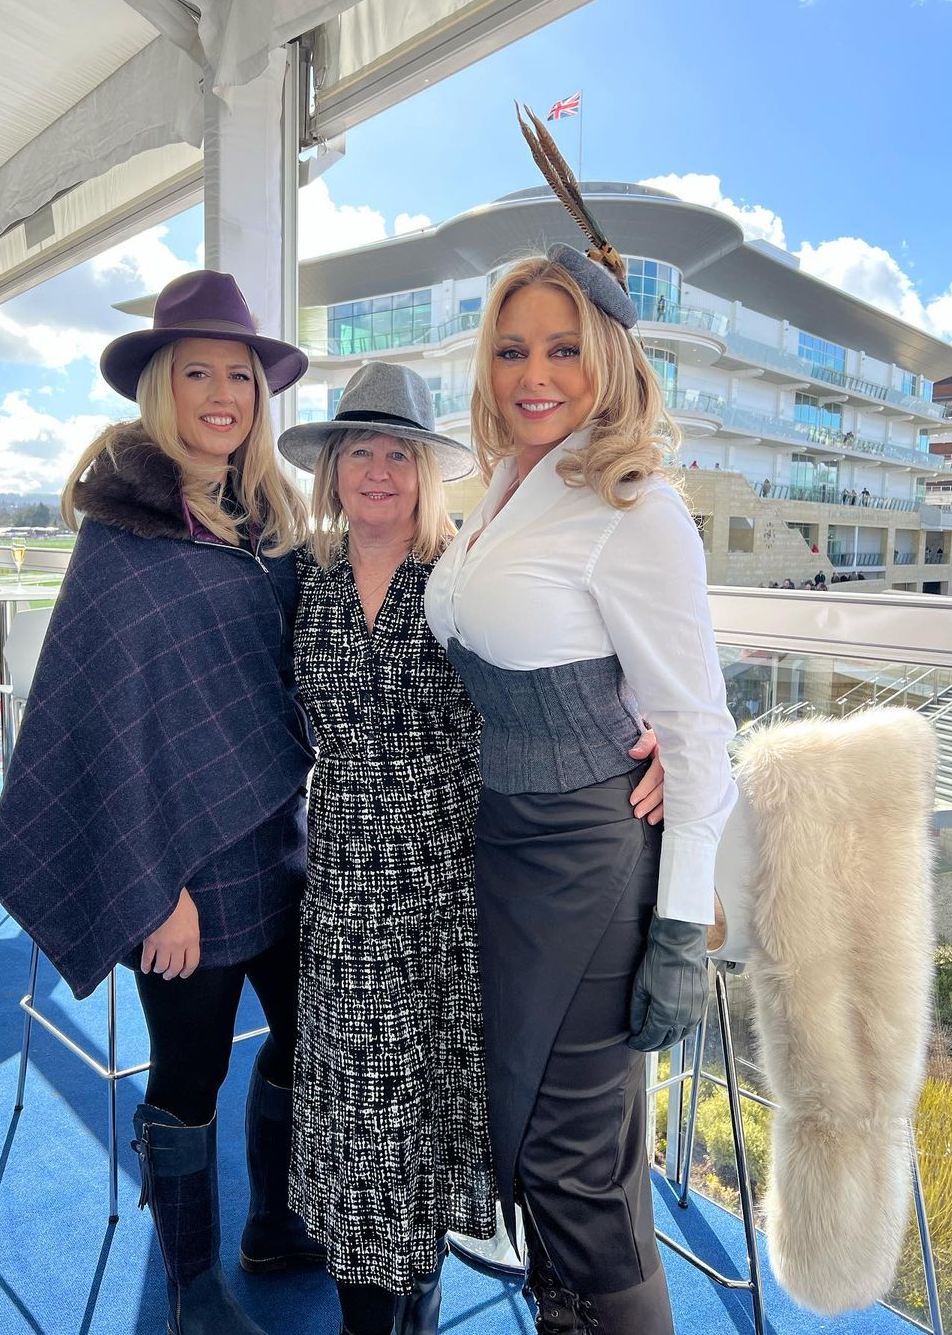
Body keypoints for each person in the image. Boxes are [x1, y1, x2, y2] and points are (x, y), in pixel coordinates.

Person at [278, 362, 665, 1335]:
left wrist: (660, 732)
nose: (377, 470)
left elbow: (581, 668)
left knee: (427, 1109)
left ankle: (414, 1298)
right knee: (354, 1112)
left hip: (452, 880)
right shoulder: (303, 580)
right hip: (343, 883)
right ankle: (368, 1308)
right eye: (359, 452)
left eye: (397, 453)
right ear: (331, 471)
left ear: (426, 472)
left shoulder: (459, 581)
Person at [0, 271, 321, 1335]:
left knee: (309, 1038)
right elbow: (100, 723)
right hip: (178, 870)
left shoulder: (271, 526)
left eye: (241, 376)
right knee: (190, 1072)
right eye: (198, 374)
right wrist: (152, 887)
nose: (223, 395)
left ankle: (275, 1222)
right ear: (161, 389)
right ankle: (191, 1290)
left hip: (281, 844)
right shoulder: (120, 539)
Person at [425, 229, 735, 1331]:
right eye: (512, 350)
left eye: (563, 349)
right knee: (534, 1143)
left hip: (588, 862)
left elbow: (699, 731)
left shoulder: (635, 505)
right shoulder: (509, 485)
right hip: (505, 845)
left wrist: (680, 932)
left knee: (573, 1166)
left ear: (606, 358)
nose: (535, 375)